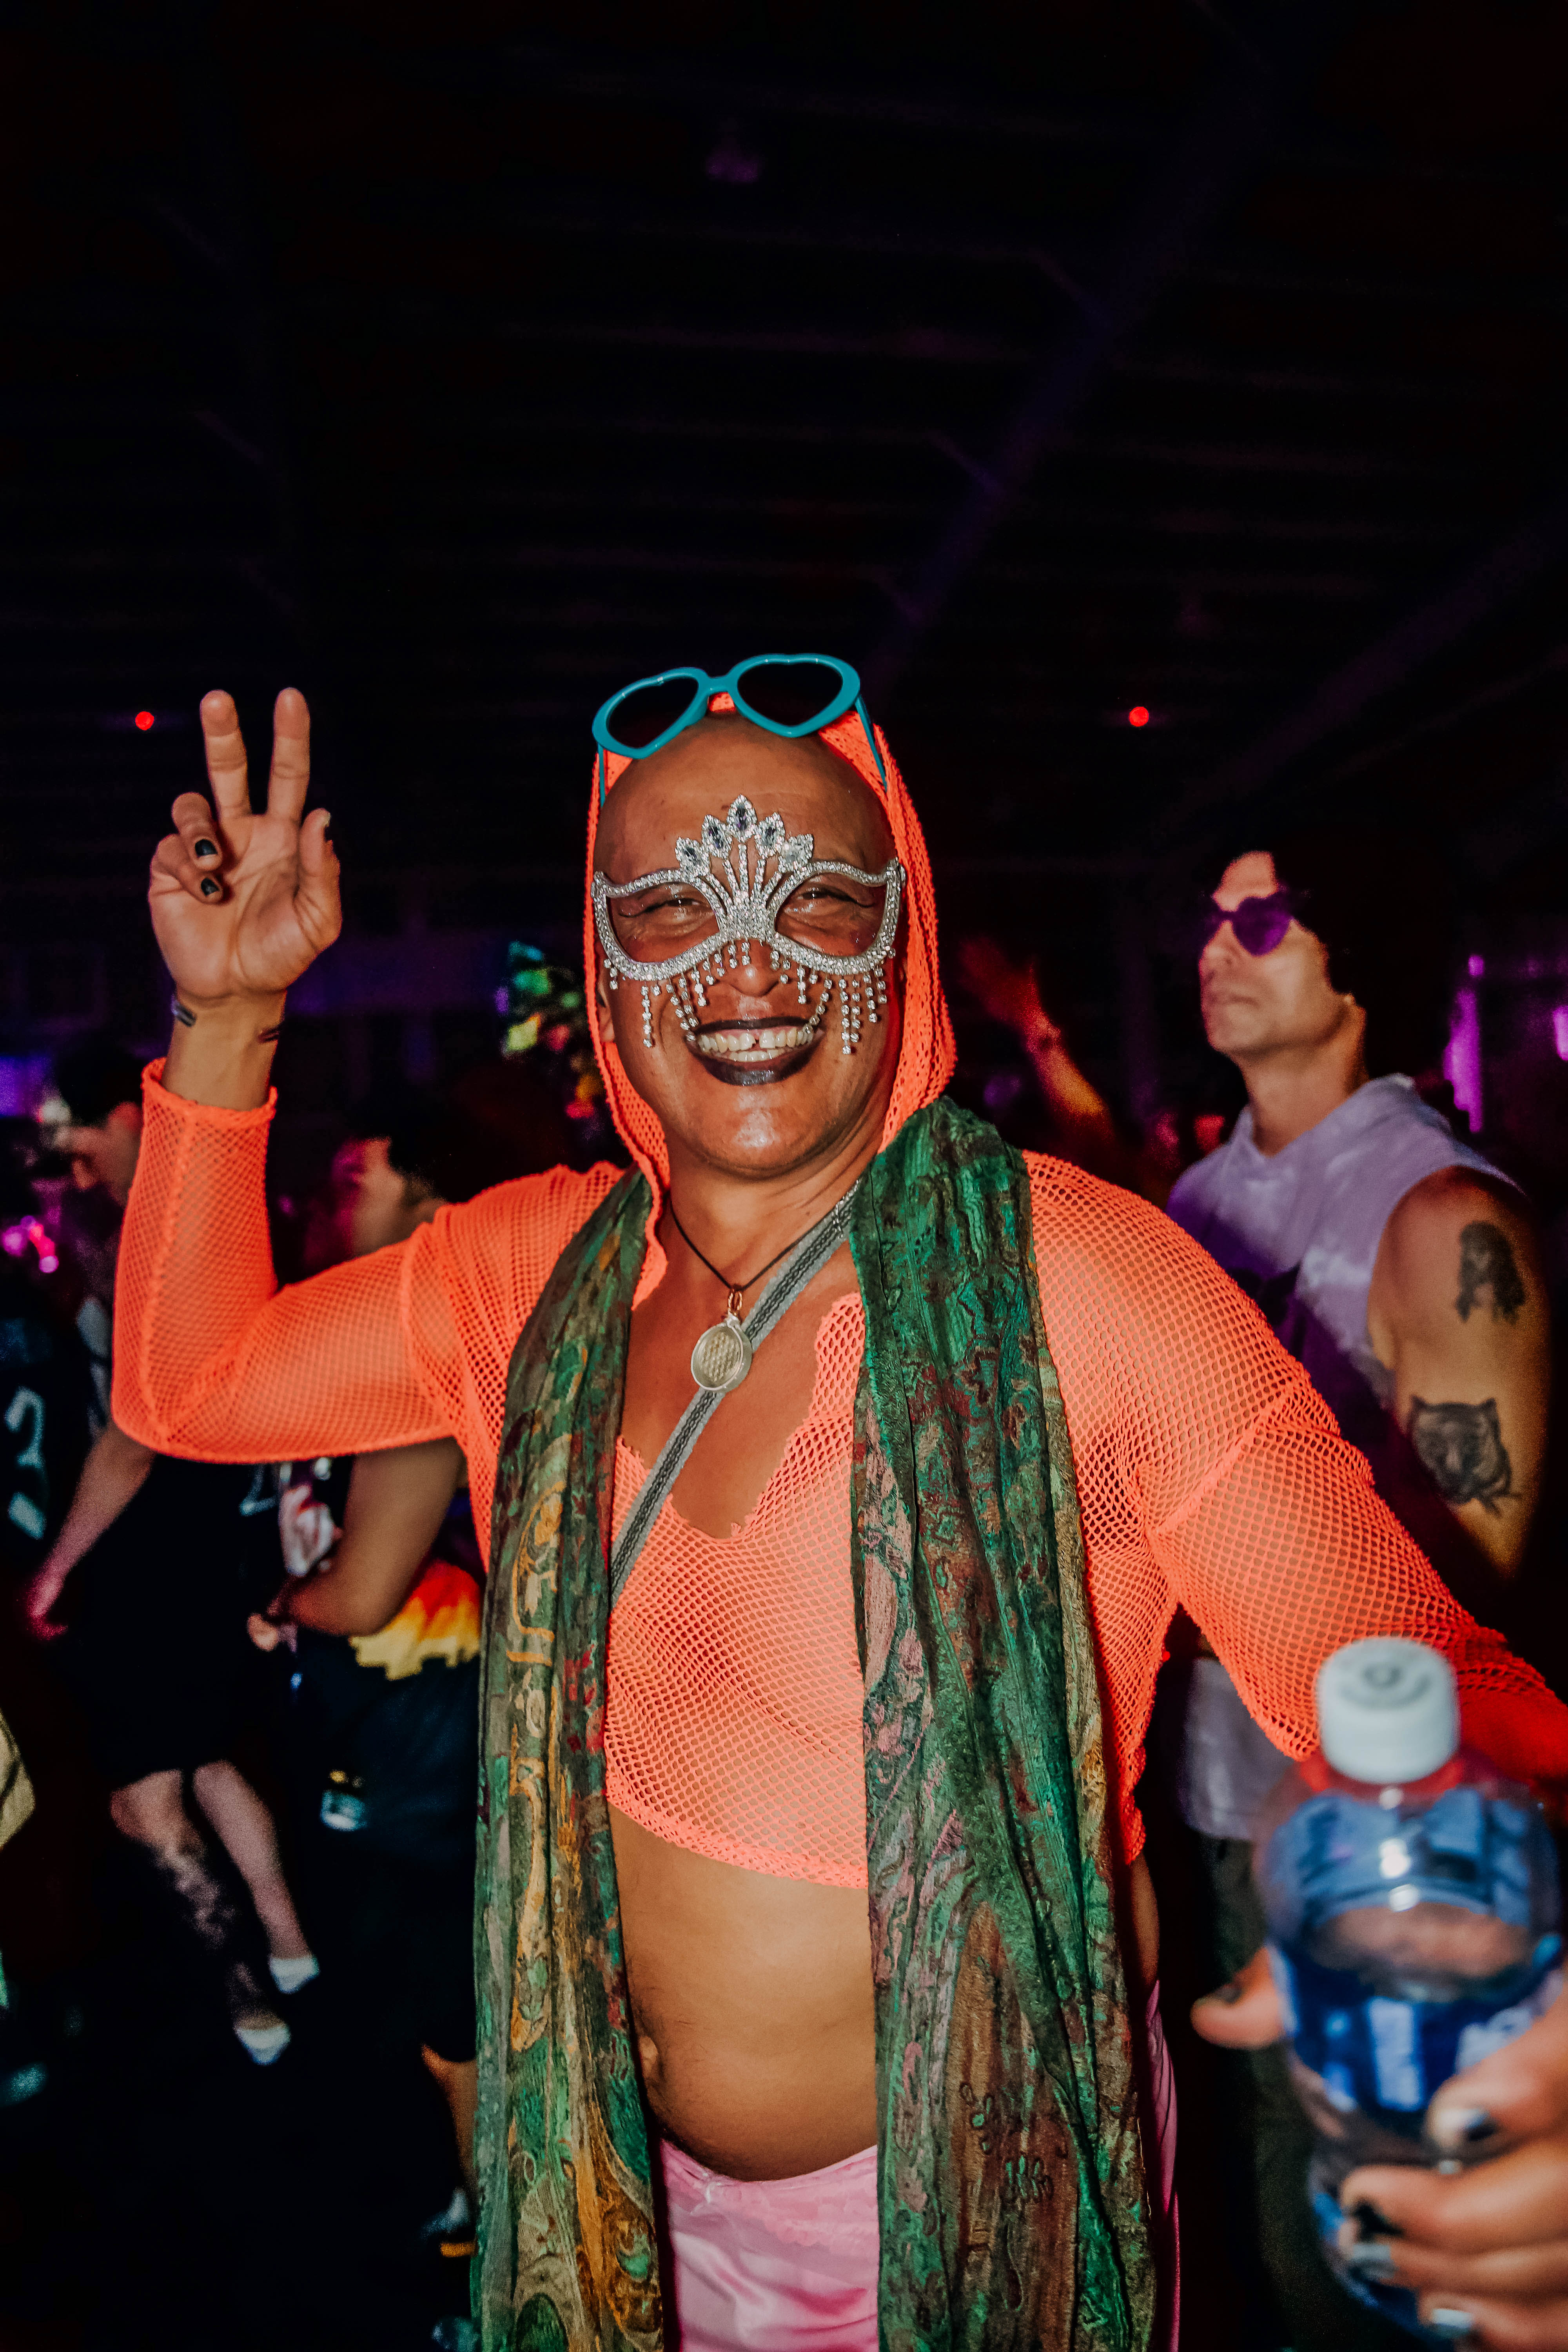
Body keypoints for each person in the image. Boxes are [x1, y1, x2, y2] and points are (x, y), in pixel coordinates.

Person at [113, 675, 1568, 2352]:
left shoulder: (1086, 1283)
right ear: (600, 958)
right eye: (667, 908)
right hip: (606, 2205)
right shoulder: (515, 1273)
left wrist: (1493, 1957)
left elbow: (1426, 1695)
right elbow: (192, 1383)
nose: (743, 966)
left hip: (972, 2234)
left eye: (814, 898)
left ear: (904, 933)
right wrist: (224, 1026)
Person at [1156, 839, 1550, 2349]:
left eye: (1264, 918)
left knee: (1386, 2201)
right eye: (1209, 919)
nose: (1219, 943)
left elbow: (1474, 1619)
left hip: (1370, 1831)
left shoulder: (1442, 1214)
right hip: (1205, 1787)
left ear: (1362, 960)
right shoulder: (1196, 1195)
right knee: (1260, 2172)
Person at [24, 1039, 315, 2066]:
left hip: (148, 1553)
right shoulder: (212, 1215)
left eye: (70, 1123)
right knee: (211, 1762)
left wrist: (57, 1568)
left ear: (126, 1118)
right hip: (209, 1538)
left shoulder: (152, 1236)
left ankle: (250, 2001)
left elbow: (129, 1439)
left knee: (144, 1803)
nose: (61, 1148)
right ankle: (288, 1950)